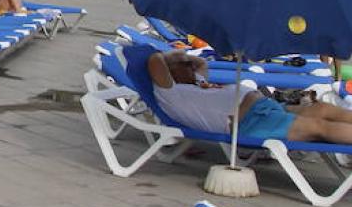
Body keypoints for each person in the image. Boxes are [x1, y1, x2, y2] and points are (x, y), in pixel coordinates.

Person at [148, 50, 352, 144]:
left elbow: (200, 62)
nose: (191, 67)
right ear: (169, 71)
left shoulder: (195, 82)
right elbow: (154, 59)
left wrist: (185, 60)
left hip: (266, 109)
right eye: (184, 65)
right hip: (251, 123)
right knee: (319, 127)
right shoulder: (170, 92)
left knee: (322, 109)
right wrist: (173, 57)